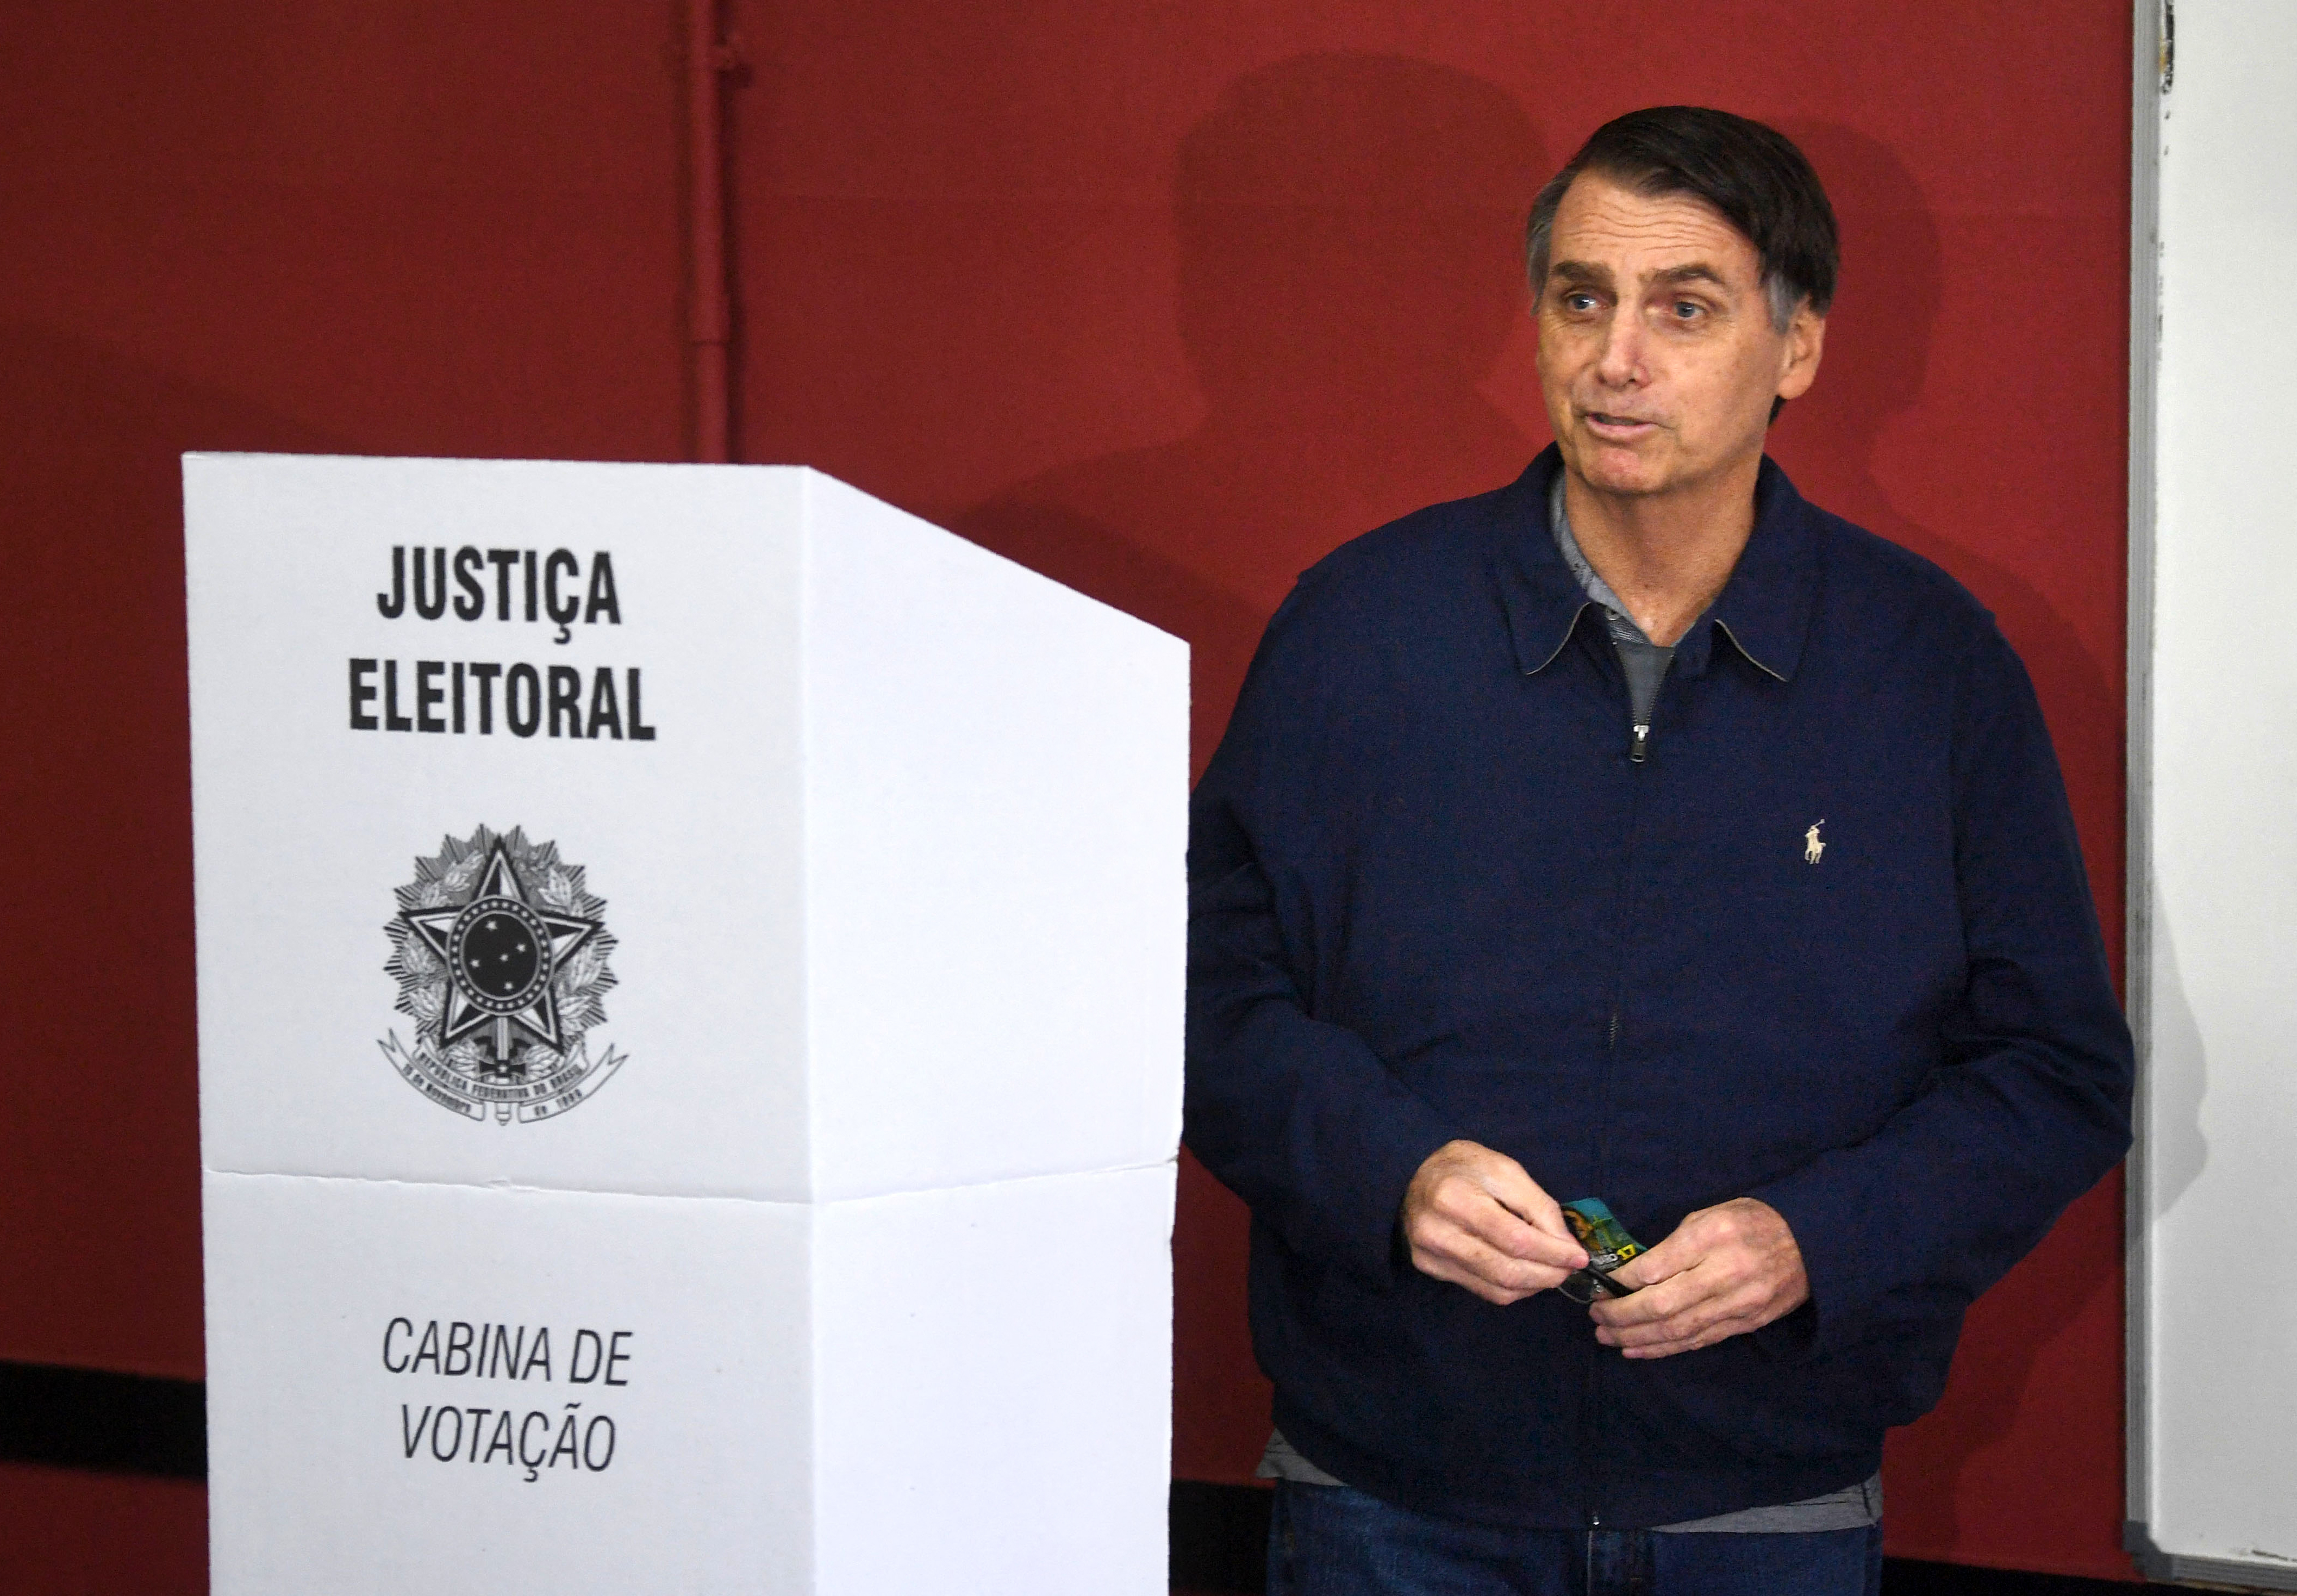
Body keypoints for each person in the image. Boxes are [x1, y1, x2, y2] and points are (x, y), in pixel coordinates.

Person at [1182, 105, 2134, 1596]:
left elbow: (2056, 1072)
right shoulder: (1358, 630)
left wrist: (1815, 1240)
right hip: (1391, 1489)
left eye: (1683, 309)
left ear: (1797, 346)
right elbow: (1201, 999)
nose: (1614, 359)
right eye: (1581, 299)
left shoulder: (1930, 665)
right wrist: (1387, 1172)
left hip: (1767, 1496)